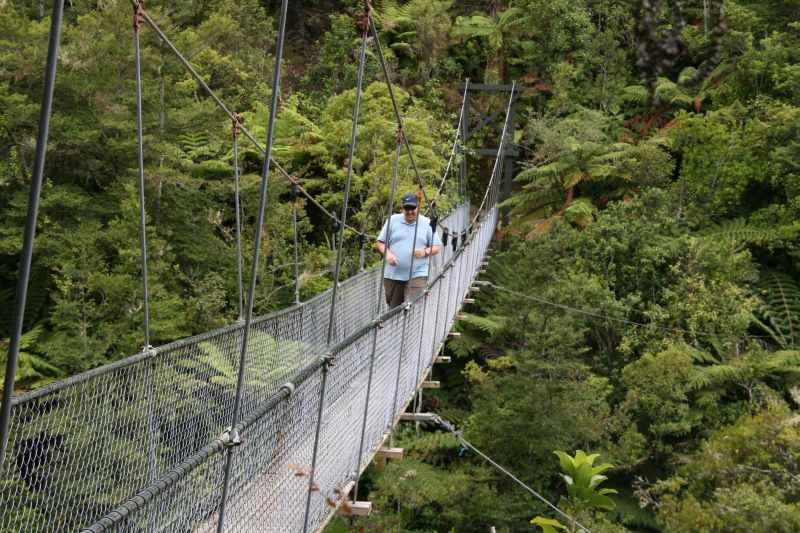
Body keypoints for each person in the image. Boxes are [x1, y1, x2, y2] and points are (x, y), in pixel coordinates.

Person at [376, 192, 443, 308]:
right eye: (407, 208)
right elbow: (380, 243)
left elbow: (437, 246)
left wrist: (425, 252)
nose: (410, 211)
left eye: (413, 208)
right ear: (402, 208)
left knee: (412, 306)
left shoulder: (427, 223)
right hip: (393, 274)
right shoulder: (392, 220)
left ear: (418, 207)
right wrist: (388, 255)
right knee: (394, 309)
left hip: (418, 273)